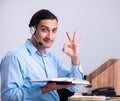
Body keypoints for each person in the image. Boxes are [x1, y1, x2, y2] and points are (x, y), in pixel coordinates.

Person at [0, 9, 84, 101]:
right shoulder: (14, 57)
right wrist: (45, 89)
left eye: (54, 31)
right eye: (44, 30)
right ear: (33, 30)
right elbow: (8, 97)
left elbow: (76, 87)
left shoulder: (52, 57)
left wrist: (75, 58)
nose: (50, 36)